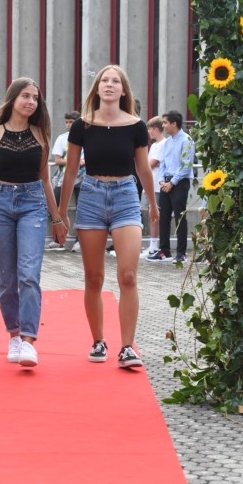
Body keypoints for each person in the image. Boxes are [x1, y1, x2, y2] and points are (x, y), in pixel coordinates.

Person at [58, 64, 158, 368]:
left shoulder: (136, 126)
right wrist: (61, 213)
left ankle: (127, 347)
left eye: (115, 81)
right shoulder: (82, 126)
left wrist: (153, 205)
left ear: (123, 89)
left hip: (126, 196)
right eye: (105, 80)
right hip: (91, 196)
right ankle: (98, 340)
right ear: (97, 88)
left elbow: (143, 169)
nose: (110, 84)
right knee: (94, 277)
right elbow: (70, 170)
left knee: (128, 275)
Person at [0, 77, 67, 368]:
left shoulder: (40, 134)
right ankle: (14, 335)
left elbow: (44, 179)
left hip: (33, 204)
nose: (31, 102)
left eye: (35, 98)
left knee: (29, 273)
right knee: (6, 279)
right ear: (13, 98)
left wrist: (57, 218)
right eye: (25, 96)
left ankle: (29, 341)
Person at [147, 110, 195, 264]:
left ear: (174, 124)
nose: (163, 126)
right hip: (165, 182)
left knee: (180, 217)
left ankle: (181, 253)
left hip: (179, 182)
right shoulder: (167, 142)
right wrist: (162, 180)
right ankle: (164, 250)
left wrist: (172, 182)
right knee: (164, 216)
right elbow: (163, 164)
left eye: (165, 123)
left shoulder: (187, 140)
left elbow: (186, 166)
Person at [48, 110, 85, 252]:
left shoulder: (86, 137)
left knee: (82, 209)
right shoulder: (62, 138)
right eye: (67, 122)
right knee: (56, 205)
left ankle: (80, 241)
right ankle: (59, 239)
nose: (69, 125)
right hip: (65, 177)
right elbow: (57, 160)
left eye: (71, 122)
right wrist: (74, 161)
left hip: (83, 177)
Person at [141, 115, 166, 258]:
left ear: (156, 129)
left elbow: (152, 163)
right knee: (151, 214)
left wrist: (144, 166)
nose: (149, 132)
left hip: (157, 184)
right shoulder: (155, 145)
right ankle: (152, 244)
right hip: (151, 183)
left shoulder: (163, 144)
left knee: (155, 214)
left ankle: (155, 245)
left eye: (150, 129)